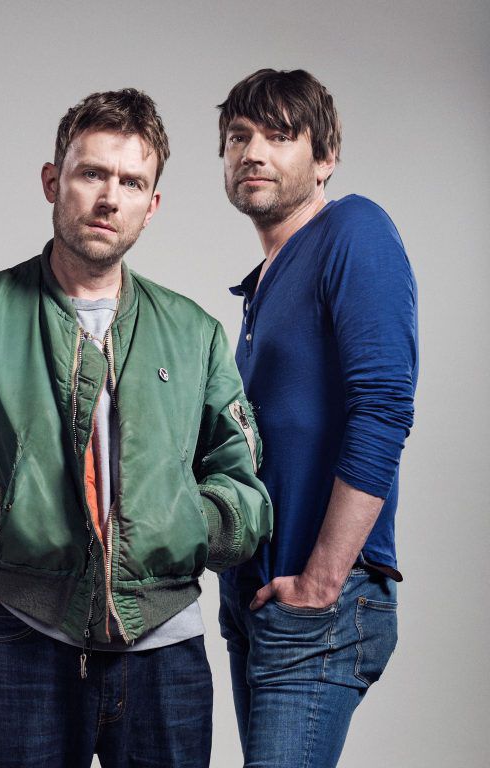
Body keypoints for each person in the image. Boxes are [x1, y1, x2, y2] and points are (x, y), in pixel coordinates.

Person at [0, 90, 271, 768]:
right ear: (53, 181)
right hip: (17, 636)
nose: (110, 198)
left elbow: (245, 486)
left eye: (131, 182)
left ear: (152, 204)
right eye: (92, 174)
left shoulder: (194, 333)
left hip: (165, 645)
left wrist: (186, 521)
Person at [216, 68, 418, 767]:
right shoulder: (262, 286)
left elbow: (384, 407)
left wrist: (323, 581)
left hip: (321, 602)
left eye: (279, 136)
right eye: (238, 136)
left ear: (326, 156)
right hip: (260, 598)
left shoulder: (353, 230)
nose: (252, 152)